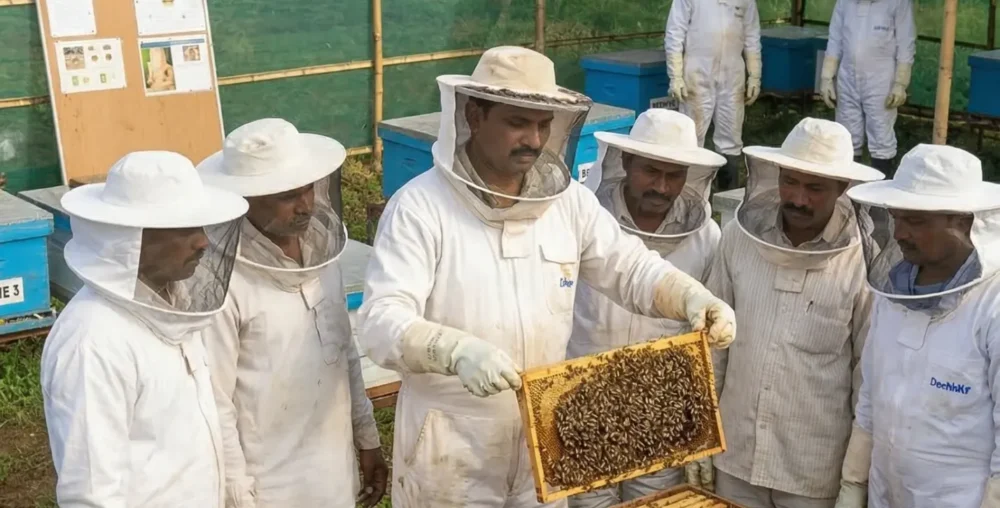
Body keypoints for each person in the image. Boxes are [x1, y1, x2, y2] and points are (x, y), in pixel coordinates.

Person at [359, 46, 737, 508]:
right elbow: (380, 321)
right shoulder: (420, 209)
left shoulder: (569, 203)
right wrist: (453, 350)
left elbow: (631, 267)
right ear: (475, 115)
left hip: (546, 440)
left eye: (543, 125)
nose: (535, 140)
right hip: (452, 449)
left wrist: (690, 296)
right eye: (519, 122)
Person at [40, 151, 249, 507]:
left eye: (201, 227)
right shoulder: (92, 340)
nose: (203, 242)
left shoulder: (172, 307)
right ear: (130, 238)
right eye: (184, 229)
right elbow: (91, 493)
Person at [198, 118, 387, 508]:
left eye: (309, 190)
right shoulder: (222, 285)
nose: (305, 206)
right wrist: (237, 495)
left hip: (334, 471)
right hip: (268, 485)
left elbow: (343, 351)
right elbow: (215, 402)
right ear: (247, 198)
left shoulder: (321, 255)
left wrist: (367, 437)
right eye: (288, 196)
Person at [696, 118, 884, 508]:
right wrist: (699, 434)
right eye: (790, 182)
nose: (798, 198)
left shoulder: (862, 262)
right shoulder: (738, 238)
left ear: (843, 188)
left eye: (815, 188)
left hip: (813, 470)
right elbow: (710, 346)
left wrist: (855, 478)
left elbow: (868, 374)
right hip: (735, 453)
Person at [566, 109, 726, 508]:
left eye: (675, 175)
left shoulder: (706, 237)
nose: (662, 186)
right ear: (627, 163)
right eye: (651, 171)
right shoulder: (584, 221)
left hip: (660, 411)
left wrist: (698, 424)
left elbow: (705, 341)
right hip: (583, 402)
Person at [837, 144, 1000, 508]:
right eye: (898, 218)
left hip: (957, 498)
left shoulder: (992, 305)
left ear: (963, 221)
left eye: (917, 221)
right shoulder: (892, 290)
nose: (899, 234)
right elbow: (870, 396)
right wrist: (852, 481)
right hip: (885, 490)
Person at [664, 0, 762, 191]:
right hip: (697, 72)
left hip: (733, 74)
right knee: (691, 136)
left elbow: (752, 35)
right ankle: (691, 193)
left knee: (731, 137)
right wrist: (675, 75)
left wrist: (755, 75)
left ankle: (728, 195)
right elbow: (675, 33)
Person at [820, 0, 916, 175]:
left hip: (881, 80)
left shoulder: (898, 3)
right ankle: (846, 195)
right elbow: (835, 39)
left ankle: (879, 196)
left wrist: (900, 83)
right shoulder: (844, 3)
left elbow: (906, 44)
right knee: (846, 137)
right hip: (847, 77)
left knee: (881, 137)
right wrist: (827, 77)